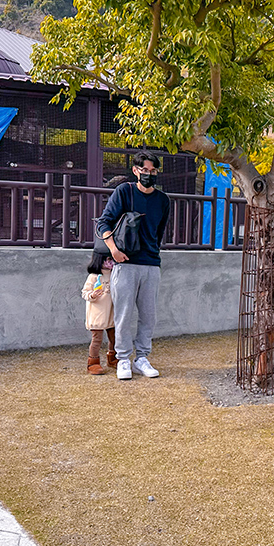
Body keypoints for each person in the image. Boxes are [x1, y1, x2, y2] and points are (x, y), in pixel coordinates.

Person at [95, 152, 171, 380]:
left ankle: (142, 358)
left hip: (151, 264)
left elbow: (159, 232)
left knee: (148, 315)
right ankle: (123, 359)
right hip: (125, 263)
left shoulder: (163, 200)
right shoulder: (124, 192)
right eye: (144, 170)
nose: (149, 174)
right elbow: (104, 222)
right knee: (124, 314)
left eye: (153, 171)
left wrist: (153, 255)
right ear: (136, 170)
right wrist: (114, 250)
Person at [81, 251, 117, 375]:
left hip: (111, 313)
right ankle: (93, 362)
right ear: (99, 260)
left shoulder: (114, 274)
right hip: (97, 314)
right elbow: (84, 293)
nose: (111, 263)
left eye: (112, 260)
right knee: (97, 340)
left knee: (114, 338)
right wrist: (92, 295)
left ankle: (112, 358)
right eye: (108, 260)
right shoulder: (94, 276)